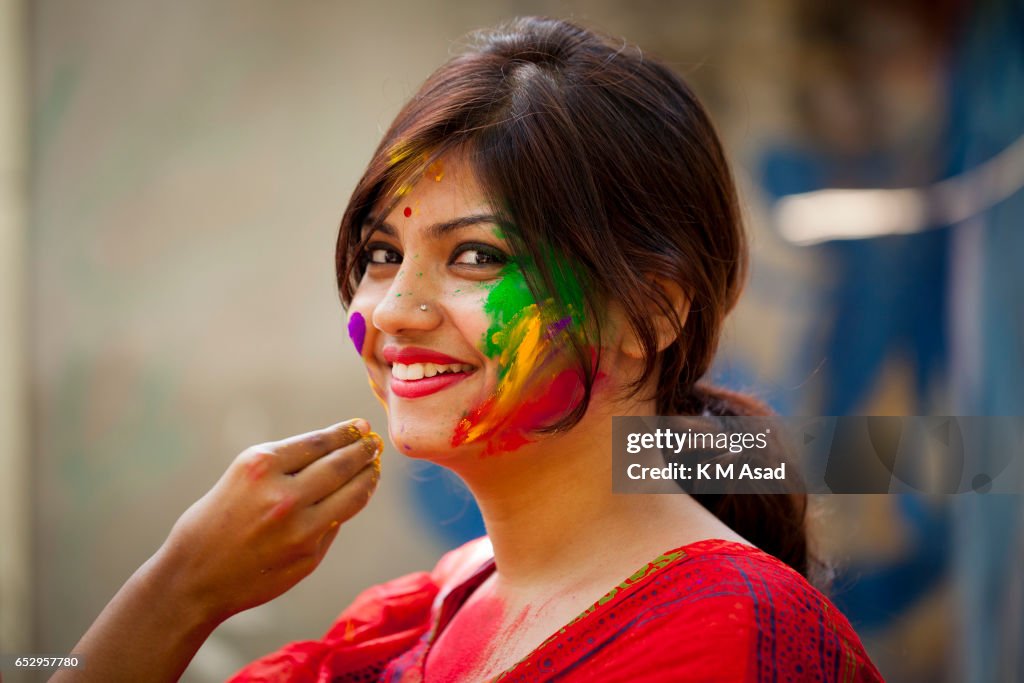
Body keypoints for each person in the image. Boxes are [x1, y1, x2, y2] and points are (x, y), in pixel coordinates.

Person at [60, 17, 884, 682]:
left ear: (649, 314)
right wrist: (179, 588)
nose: (394, 311)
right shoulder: (423, 610)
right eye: (383, 254)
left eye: (477, 257)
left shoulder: (723, 634)